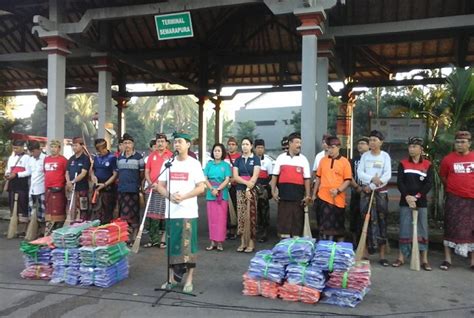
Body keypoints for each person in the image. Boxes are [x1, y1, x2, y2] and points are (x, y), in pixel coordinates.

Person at [157, 131, 206, 293]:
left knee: (188, 247)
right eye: (175, 142)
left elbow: (201, 187)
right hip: (172, 212)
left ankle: (189, 280)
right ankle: (171, 279)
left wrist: (184, 196)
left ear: (188, 144)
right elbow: (159, 186)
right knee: (172, 246)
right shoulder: (168, 163)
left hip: (188, 212)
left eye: (180, 141)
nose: (177, 144)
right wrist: (170, 196)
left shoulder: (194, 164)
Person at [392, 136, 433, 270]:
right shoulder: (403, 163)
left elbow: (428, 184)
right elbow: (400, 182)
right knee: (404, 228)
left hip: (420, 201)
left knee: (422, 229)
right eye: (410, 146)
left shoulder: (427, 164)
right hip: (406, 201)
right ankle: (401, 257)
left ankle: (424, 259)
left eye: (414, 147)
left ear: (421, 149)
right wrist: (408, 196)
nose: (411, 149)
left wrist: (417, 196)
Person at [439, 130, 474, 271]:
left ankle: (472, 262)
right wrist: (454, 189)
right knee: (450, 227)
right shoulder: (448, 159)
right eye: (457, 142)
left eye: (463, 142)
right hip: (454, 199)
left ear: (469, 143)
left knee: (472, 230)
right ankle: (447, 260)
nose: (459, 144)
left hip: (472, 200)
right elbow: (443, 177)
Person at [357, 130, 392, 267]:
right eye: (370, 139)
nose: (372, 142)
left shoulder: (385, 156)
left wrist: (372, 186)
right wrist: (371, 179)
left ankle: (382, 255)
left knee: (382, 221)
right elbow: (360, 173)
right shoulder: (365, 156)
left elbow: (387, 174)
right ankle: (365, 253)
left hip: (380, 192)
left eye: (375, 140)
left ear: (381, 142)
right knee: (365, 220)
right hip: (366, 192)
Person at [270, 132, 311, 238]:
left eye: (300, 143)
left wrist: (307, 195)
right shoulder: (281, 158)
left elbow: (307, 179)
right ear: (290, 143)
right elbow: (275, 176)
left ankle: (296, 246)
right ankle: (284, 245)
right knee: (284, 220)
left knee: (297, 221)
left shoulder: (303, 159)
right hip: (283, 197)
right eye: (297, 142)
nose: (299, 145)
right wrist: (273, 191)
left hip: (298, 198)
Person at [313, 136, 352, 241]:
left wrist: (338, 190)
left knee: (338, 227)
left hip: (338, 199)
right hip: (323, 197)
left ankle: (338, 251)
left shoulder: (345, 162)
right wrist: (313, 194)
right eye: (329, 147)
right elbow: (318, 178)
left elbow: (347, 180)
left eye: (333, 147)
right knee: (323, 226)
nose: (330, 150)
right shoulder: (322, 161)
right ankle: (324, 249)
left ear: (339, 147)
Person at [144, 133, 173, 248]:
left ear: (166, 143)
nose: (160, 143)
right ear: (155, 144)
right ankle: (153, 240)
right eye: (158, 141)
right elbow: (147, 172)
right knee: (152, 216)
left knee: (165, 215)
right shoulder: (151, 156)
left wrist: (161, 186)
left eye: (162, 141)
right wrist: (150, 183)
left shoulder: (171, 156)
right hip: (152, 189)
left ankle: (163, 239)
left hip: (164, 190)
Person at [233, 137, 260, 253]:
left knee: (251, 216)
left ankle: (251, 243)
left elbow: (255, 175)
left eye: (247, 144)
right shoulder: (238, 160)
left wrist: (249, 187)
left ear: (251, 146)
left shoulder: (256, 159)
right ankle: (242, 242)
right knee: (241, 216)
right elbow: (235, 176)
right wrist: (246, 183)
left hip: (252, 190)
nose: (244, 146)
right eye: (243, 144)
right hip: (240, 190)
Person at [203, 143, 232, 251]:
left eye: (219, 151)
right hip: (211, 194)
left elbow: (227, 179)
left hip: (222, 194)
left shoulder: (226, 165)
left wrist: (218, 189)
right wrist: (212, 189)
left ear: (222, 152)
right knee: (212, 220)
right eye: (215, 151)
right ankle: (212, 242)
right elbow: (205, 178)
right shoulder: (209, 164)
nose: (217, 153)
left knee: (221, 219)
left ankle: (220, 242)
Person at [116, 133, 144, 243]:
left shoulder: (139, 157)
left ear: (133, 144)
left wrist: (138, 185)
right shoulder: (120, 157)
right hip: (122, 189)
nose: (127, 145)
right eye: (125, 143)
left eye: (129, 143)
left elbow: (142, 174)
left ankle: (134, 237)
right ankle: (125, 237)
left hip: (133, 190)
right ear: (122, 145)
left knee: (134, 214)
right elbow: (118, 173)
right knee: (123, 214)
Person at [4, 140, 30, 237]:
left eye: (17, 148)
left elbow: (28, 172)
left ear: (22, 147)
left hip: (22, 185)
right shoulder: (11, 158)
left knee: (22, 206)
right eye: (14, 148)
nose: (15, 150)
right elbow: (8, 169)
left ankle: (23, 229)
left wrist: (16, 174)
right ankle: (13, 228)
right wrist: (7, 174)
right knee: (12, 206)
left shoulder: (27, 157)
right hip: (12, 185)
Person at [90, 139, 117, 224]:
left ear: (104, 148)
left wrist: (105, 184)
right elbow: (92, 170)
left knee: (107, 212)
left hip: (108, 188)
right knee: (96, 211)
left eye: (100, 149)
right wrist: (93, 176)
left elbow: (115, 174)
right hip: (97, 187)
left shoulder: (112, 158)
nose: (99, 152)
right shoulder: (96, 157)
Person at [44, 140, 68, 233]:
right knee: (49, 210)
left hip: (58, 188)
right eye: (52, 147)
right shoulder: (46, 159)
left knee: (58, 210)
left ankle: (58, 229)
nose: (53, 149)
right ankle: (49, 230)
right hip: (48, 188)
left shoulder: (63, 160)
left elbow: (66, 173)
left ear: (59, 148)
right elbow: (45, 172)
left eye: (55, 147)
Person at [349, 137, 370, 246]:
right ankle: (354, 242)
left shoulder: (372, 159)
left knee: (366, 217)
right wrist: (357, 187)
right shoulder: (354, 159)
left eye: (363, 143)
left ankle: (366, 243)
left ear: (369, 145)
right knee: (354, 215)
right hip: (356, 191)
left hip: (369, 191)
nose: (360, 145)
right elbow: (349, 175)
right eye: (359, 143)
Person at [66, 137, 91, 221]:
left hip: (82, 188)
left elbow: (83, 173)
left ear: (81, 146)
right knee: (72, 209)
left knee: (83, 209)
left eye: (76, 145)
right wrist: (68, 182)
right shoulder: (71, 159)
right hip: (72, 189)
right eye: (73, 146)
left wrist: (73, 181)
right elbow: (67, 172)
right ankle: (72, 225)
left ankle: (83, 226)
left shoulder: (85, 159)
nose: (74, 148)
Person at [26, 141, 46, 238]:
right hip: (32, 189)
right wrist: (16, 174)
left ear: (39, 149)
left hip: (42, 189)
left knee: (43, 212)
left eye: (33, 151)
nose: (32, 154)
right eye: (31, 152)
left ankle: (43, 231)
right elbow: (28, 172)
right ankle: (34, 230)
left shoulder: (45, 159)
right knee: (32, 211)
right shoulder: (30, 159)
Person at [254, 139, 273, 242]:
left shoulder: (267, 161)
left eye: (262, 148)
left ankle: (264, 232)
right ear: (254, 148)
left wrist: (262, 185)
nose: (260, 150)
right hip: (252, 188)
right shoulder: (251, 160)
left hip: (263, 190)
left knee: (264, 211)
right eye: (258, 148)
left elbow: (270, 176)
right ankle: (256, 231)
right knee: (254, 211)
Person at [224, 136, 240, 240]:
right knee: (225, 209)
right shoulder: (223, 157)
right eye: (229, 144)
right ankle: (226, 229)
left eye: (233, 144)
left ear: (237, 146)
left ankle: (234, 230)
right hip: (224, 186)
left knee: (235, 208)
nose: (231, 146)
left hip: (235, 186)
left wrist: (234, 179)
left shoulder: (240, 157)